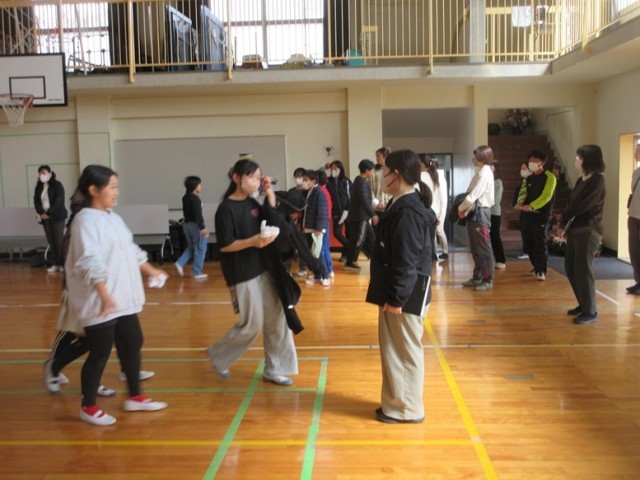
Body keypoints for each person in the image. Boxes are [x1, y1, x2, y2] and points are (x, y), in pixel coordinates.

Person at [65, 165, 168, 426]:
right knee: (100, 353)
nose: (116, 192)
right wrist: (104, 294)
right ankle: (88, 407)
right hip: (100, 300)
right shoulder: (85, 221)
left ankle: (135, 396)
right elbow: (88, 260)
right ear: (93, 190)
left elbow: (130, 249)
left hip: (121, 297)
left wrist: (151, 270)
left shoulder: (113, 217)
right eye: (112, 187)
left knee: (132, 341)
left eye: (116, 187)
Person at [207, 159, 298, 386]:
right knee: (252, 324)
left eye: (259, 178)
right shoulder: (225, 209)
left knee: (277, 319)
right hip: (241, 273)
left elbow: (272, 217)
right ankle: (218, 354)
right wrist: (253, 242)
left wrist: (269, 193)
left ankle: (275, 369)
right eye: (253, 177)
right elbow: (225, 245)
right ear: (236, 178)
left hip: (264, 268)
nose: (257, 182)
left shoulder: (252, 203)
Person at [366, 149, 433, 424]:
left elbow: (407, 261)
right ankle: (396, 403)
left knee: (404, 352)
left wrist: (396, 298)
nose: (382, 175)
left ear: (397, 175)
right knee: (395, 351)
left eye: (385, 171)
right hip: (399, 290)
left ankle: (407, 410)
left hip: (405, 294)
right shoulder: (401, 204)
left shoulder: (408, 212)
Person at [558, 145, 606, 325]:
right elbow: (571, 202)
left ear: (589, 161)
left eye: (580, 158)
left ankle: (590, 311)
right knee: (571, 268)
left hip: (588, 230)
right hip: (575, 230)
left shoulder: (597, 181)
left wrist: (563, 216)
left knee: (583, 270)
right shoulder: (581, 180)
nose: (577, 161)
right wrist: (563, 223)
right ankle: (583, 304)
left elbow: (583, 205)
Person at [514, 150, 557, 281]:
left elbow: (546, 196)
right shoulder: (529, 177)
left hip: (541, 215)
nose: (531, 163)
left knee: (539, 242)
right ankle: (535, 266)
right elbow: (522, 192)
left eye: (535, 161)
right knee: (528, 242)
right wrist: (518, 203)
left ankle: (541, 270)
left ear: (542, 163)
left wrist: (532, 206)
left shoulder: (550, 177)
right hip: (526, 215)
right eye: (530, 160)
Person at [458, 146, 495, 291]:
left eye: (477, 155)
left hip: (481, 214)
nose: (474, 158)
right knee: (475, 248)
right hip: (475, 213)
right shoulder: (481, 172)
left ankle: (487, 279)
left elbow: (473, 196)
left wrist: (460, 208)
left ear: (482, 157)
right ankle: (477, 276)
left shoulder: (485, 174)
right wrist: (465, 209)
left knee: (484, 249)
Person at [344, 159, 377, 271]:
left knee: (371, 237)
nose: (373, 172)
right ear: (367, 170)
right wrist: (373, 215)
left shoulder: (361, 181)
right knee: (358, 239)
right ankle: (351, 262)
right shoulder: (361, 182)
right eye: (372, 170)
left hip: (362, 216)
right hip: (360, 216)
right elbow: (363, 200)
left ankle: (374, 257)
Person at [34, 165, 68, 273]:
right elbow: (36, 201)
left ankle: (63, 264)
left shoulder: (57, 185)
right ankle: (56, 264)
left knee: (58, 241)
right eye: (40, 173)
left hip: (57, 216)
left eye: (44, 172)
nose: (41, 175)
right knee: (51, 241)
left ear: (50, 173)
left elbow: (59, 201)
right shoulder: (39, 187)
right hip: (45, 217)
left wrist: (49, 213)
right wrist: (41, 213)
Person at [174, 176, 209, 279]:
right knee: (200, 249)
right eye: (199, 184)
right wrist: (202, 228)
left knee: (192, 247)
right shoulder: (195, 199)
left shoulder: (185, 197)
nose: (200, 186)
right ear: (195, 186)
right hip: (195, 226)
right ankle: (197, 273)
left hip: (186, 225)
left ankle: (180, 263)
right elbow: (198, 215)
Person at [301, 169, 330, 286]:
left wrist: (318, 229)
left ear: (313, 181)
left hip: (315, 230)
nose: (303, 182)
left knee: (318, 254)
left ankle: (325, 276)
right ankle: (317, 275)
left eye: (305, 180)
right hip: (309, 228)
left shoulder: (319, 193)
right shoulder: (309, 192)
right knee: (313, 254)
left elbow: (322, 212)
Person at [420, 156, 449, 260]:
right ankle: (434, 253)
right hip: (432, 210)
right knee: (432, 233)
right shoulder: (425, 175)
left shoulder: (437, 176)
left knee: (439, 230)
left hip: (436, 209)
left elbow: (443, 198)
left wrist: (441, 214)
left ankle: (444, 252)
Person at [326, 160, 352, 262]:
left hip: (348, 211)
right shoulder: (328, 182)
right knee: (337, 233)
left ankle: (345, 255)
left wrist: (348, 209)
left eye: (336, 168)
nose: (334, 170)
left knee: (348, 233)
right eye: (332, 168)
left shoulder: (346, 181)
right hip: (336, 212)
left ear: (340, 169)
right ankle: (351, 248)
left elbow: (351, 197)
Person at [626, 144, 640, 294]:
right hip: (633, 216)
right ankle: (638, 280)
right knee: (634, 250)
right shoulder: (636, 172)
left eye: (636, 151)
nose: (635, 153)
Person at [317, 169, 335, 279]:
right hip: (326, 221)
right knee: (325, 247)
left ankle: (326, 271)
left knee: (321, 248)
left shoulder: (319, 191)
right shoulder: (325, 190)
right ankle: (329, 269)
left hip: (322, 222)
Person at [490, 160, 506, 269]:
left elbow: (495, 200)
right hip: (487, 212)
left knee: (495, 236)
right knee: (490, 237)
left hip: (494, 213)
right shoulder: (489, 180)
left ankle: (501, 260)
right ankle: (494, 259)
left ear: (495, 168)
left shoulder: (498, 182)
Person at [513, 163, 532, 260]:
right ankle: (526, 251)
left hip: (529, 209)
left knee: (528, 231)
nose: (522, 170)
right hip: (522, 210)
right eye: (521, 168)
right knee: (524, 231)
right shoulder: (522, 181)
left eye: (524, 168)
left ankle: (528, 251)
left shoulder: (532, 181)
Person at [370, 147, 392, 211]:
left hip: (389, 205)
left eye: (378, 156)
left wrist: (388, 202)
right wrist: (375, 202)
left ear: (385, 156)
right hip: (376, 206)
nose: (376, 158)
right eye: (376, 156)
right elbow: (369, 187)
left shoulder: (392, 170)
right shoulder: (373, 171)